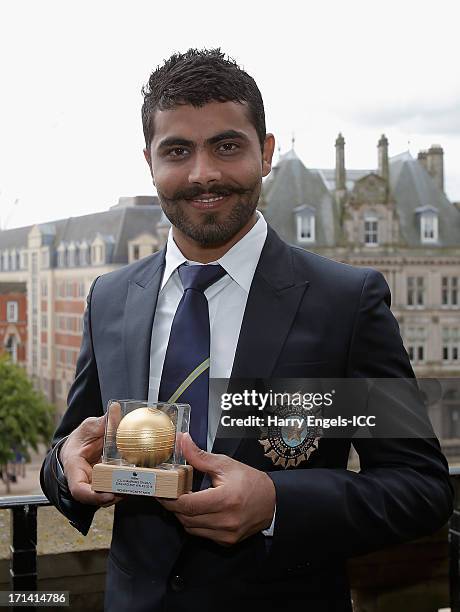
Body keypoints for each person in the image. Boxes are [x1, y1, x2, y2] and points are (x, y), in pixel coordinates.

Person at [40, 49, 454, 612]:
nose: (203, 172)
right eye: (178, 150)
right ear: (149, 162)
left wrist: (278, 502)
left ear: (266, 153)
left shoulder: (344, 302)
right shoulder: (111, 299)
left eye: (227, 146)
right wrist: (66, 468)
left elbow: (421, 489)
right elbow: (70, 445)